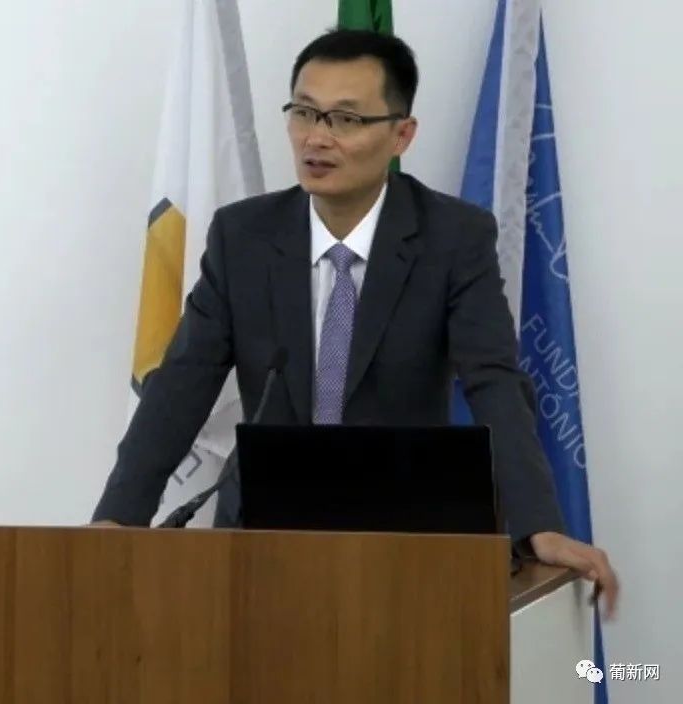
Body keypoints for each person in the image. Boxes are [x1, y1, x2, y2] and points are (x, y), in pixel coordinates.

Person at [92, 28, 618, 618]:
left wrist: (539, 525)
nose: (316, 138)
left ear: (401, 135)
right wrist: (118, 518)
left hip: (403, 537)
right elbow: (180, 384)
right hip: (259, 538)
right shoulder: (243, 237)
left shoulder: (453, 239)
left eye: (345, 119)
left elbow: (494, 381)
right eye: (303, 112)